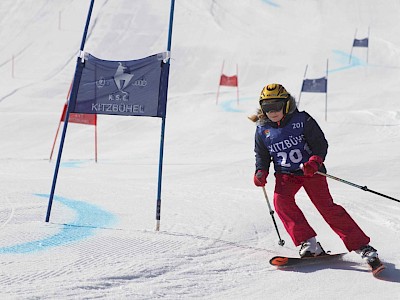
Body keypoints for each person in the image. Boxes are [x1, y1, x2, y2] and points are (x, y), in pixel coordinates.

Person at [251, 83, 383, 271]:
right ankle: (309, 244)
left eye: (276, 106)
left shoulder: (302, 120)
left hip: (311, 172)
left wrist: (314, 161)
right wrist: (260, 171)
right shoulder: (262, 129)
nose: (272, 111)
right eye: (267, 107)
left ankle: (362, 246)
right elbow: (262, 155)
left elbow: (320, 144)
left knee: (326, 208)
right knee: (281, 203)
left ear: (287, 104)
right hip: (286, 174)